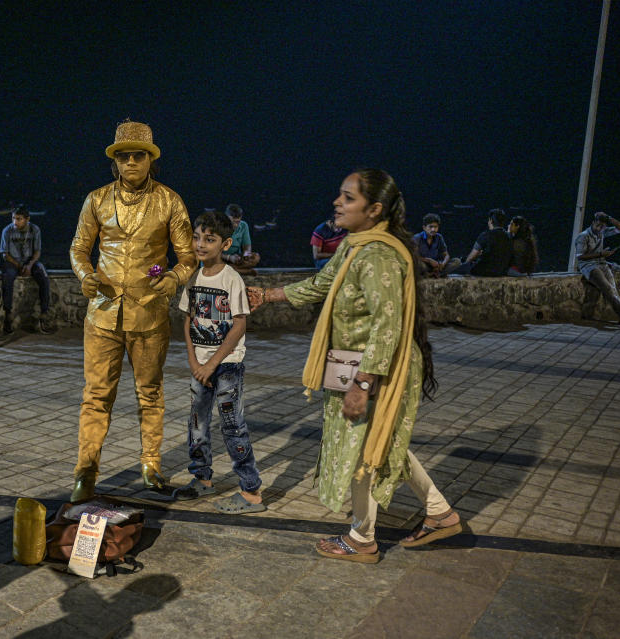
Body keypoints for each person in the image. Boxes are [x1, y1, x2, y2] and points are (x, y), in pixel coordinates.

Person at [247, 169, 462, 563]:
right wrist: (268, 295)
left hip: (374, 367)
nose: (337, 203)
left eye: (348, 198)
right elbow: (322, 284)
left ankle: (363, 538)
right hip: (359, 364)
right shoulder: (354, 246)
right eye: (340, 196)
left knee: (365, 447)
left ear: (374, 208)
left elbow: (387, 324)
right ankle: (440, 513)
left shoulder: (378, 255)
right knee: (384, 441)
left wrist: (362, 384)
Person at [68, 119, 195, 501]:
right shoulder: (96, 200)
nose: (130, 163)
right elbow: (78, 249)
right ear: (115, 162)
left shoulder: (170, 201)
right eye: (123, 157)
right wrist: (85, 275)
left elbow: (187, 257)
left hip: (149, 314)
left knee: (150, 393)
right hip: (103, 312)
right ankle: (86, 470)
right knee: (96, 395)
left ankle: (151, 464)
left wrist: (173, 278)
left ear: (150, 160)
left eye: (138, 156)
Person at [173, 210, 265, 513]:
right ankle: (202, 478)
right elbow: (188, 320)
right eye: (197, 238)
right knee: (197, 423)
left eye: (209, 239)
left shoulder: (232, 279)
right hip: (199, 366)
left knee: (232, 425)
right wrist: (193, 360)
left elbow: (239, 324)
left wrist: (212, 364)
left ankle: (251, 490)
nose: (201, 244)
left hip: (226, 365)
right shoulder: (192, 277)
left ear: (225, 244)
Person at [0, 204, 54, 334]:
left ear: (27, 219)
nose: (15, 222)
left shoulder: (35, 230)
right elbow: (4, 254)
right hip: (13, 262)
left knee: (43, 276)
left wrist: (29, 265)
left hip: (30, 262)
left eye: (18, 219)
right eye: (13, 218)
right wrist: (19, 265)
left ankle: (44, 315)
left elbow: (37, 251)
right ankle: (8, 315)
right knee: (7, 277)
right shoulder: (7, 231)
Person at [575, 211, 620, 325]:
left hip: (602, 263)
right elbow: (580, 257)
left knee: (612, 289)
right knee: (607, 288)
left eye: (603, 226)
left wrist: (608, 217)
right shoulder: (583, 236)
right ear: (593, 223)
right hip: (589, 266)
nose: (600, 228)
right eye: (598, 225)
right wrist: (601, 254)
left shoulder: (602, 232)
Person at [451, 208, 512, 277]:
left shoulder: (485, 235)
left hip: (485, 270)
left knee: (457, 267)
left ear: (491, 220)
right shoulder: (509, 237)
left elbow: (471, 257)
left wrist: (464, 265)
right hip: (502, 271)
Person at [413, 213, 460, 277]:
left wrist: (442, 264)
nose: (433, 229)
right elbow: (414, 256)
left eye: (435, 227)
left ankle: (434, 274)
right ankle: (432, 274)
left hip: (436, 265)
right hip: (424, 265)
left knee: (457, 261)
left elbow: (446, 255)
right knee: (418, 264)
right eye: (430, 227)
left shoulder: (439, 237)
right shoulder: (417, 238)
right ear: (424, 227)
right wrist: (429, 260)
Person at [222, 204, 260, 273]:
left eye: (237, 222)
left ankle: (234, 270)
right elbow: (212, 252)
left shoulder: (243, 225)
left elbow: (247, 246)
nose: (235, 225)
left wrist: (246, 254)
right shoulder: (217, 226)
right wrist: (229, 257)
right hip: (221, 258)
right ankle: (243, 271)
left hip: (235, 259)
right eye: (232, 222)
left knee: (255, 257)